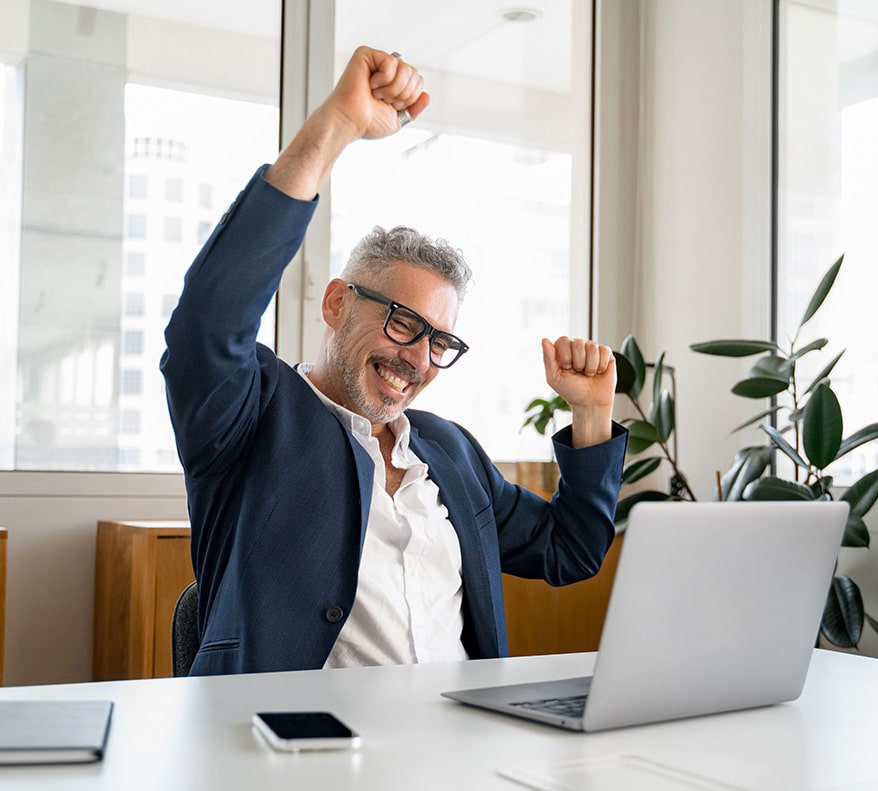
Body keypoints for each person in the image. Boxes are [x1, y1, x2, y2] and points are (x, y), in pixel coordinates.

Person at [160, 46, 627, 676]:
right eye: (402, 322)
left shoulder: (450, 452)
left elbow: (569, 551)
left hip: (461, 750)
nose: (416, 358)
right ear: (335, 304)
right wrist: (338, 127)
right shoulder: (252, 417)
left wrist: (592, 414)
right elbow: (209, 321)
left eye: (438, 340)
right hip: (304, 758)